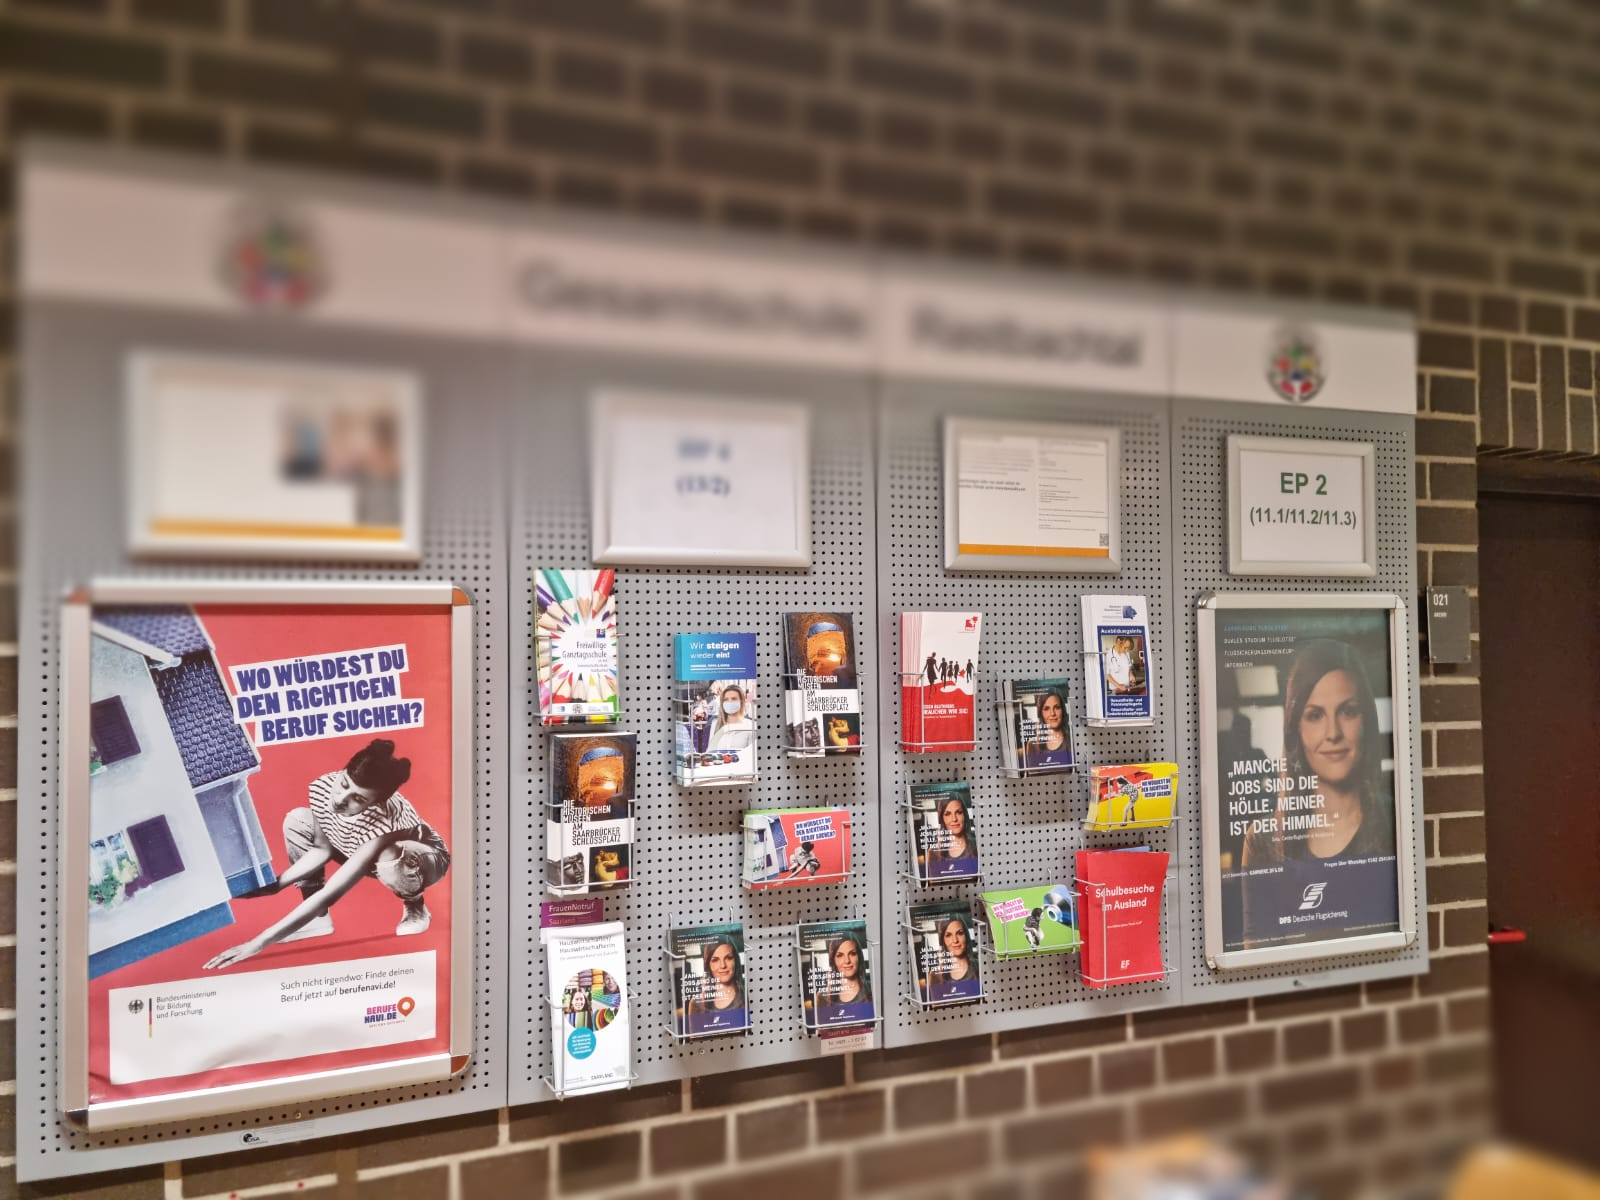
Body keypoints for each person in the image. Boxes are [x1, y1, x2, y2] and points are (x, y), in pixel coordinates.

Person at [203, 738, 449, 970]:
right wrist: (277, 884)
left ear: (375, 803)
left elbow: (330, 894)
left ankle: (415, 903)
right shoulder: (324, 786)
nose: (340, 799)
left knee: (389, 855)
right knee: (299, 819)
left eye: (357, 799)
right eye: (344, 784)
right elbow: (322, 849)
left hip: (424, 860)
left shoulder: (384, 821)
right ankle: (318, 919)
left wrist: (258, 943)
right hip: (358, 849)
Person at [1241, 639, 1397, 944]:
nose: (1333, 733)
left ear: (1366, 719)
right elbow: (1256, 960)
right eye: (1314, 715)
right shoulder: (1262, 841)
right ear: (1296, 729)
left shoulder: (1396, 821)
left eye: (1348, 711)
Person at [685, 939, 745, 1028]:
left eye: (728, 958)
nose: (723, 965)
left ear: (736, 960)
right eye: (715, 960)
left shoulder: (746, 995)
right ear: (708, 965)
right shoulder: (696, 1004)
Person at [819, 934, 872, 1014]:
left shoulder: (872, 990)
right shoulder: (822, 996)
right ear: (833, 960)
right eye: (840, 955)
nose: (847, 961)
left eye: (852, 953)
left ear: (859, 957)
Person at [1022, 689, 1071, 768]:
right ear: (1040, 713)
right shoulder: (1032, 745)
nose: (1052, 713)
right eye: (1046, 708)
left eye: (1057, 707)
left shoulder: (1072, 740)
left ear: (1063, 710)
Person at [929, 793, 976, 866]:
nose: (954, 819)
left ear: (964, 815)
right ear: (941, 818)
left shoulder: (976, 844)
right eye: (947, 814)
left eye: (959, 812)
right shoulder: (933, 852)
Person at [706, 683, 754, 753]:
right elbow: (710, 750)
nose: (729, 702)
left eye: (734, 699)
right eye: (726, 699)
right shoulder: (715, 724)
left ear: (741, 701)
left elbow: (751, 754)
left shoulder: (750, 726)